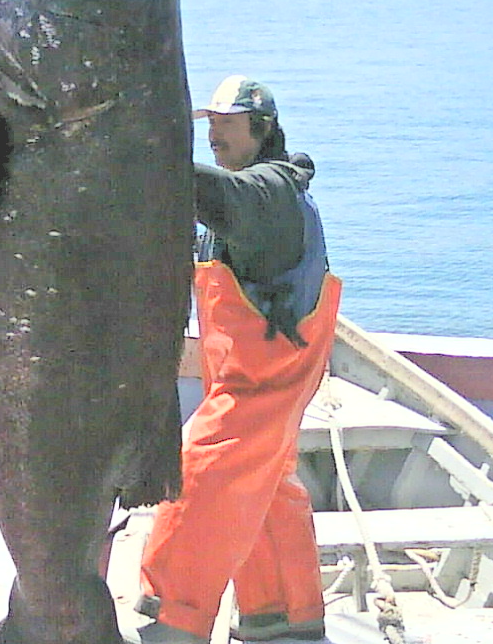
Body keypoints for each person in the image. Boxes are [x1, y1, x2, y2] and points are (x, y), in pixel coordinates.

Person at [133, 76, 342, 644]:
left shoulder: (268, 193)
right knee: (267, 492)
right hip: (257, 380)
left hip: (261, 385)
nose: (214, 133)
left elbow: (213, 196)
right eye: (210, 123)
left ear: (263, 128)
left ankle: (172, 623)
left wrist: (138, 146)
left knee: (201, 474)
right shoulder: (260, 196)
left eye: (228, 121)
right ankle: (284, 620)